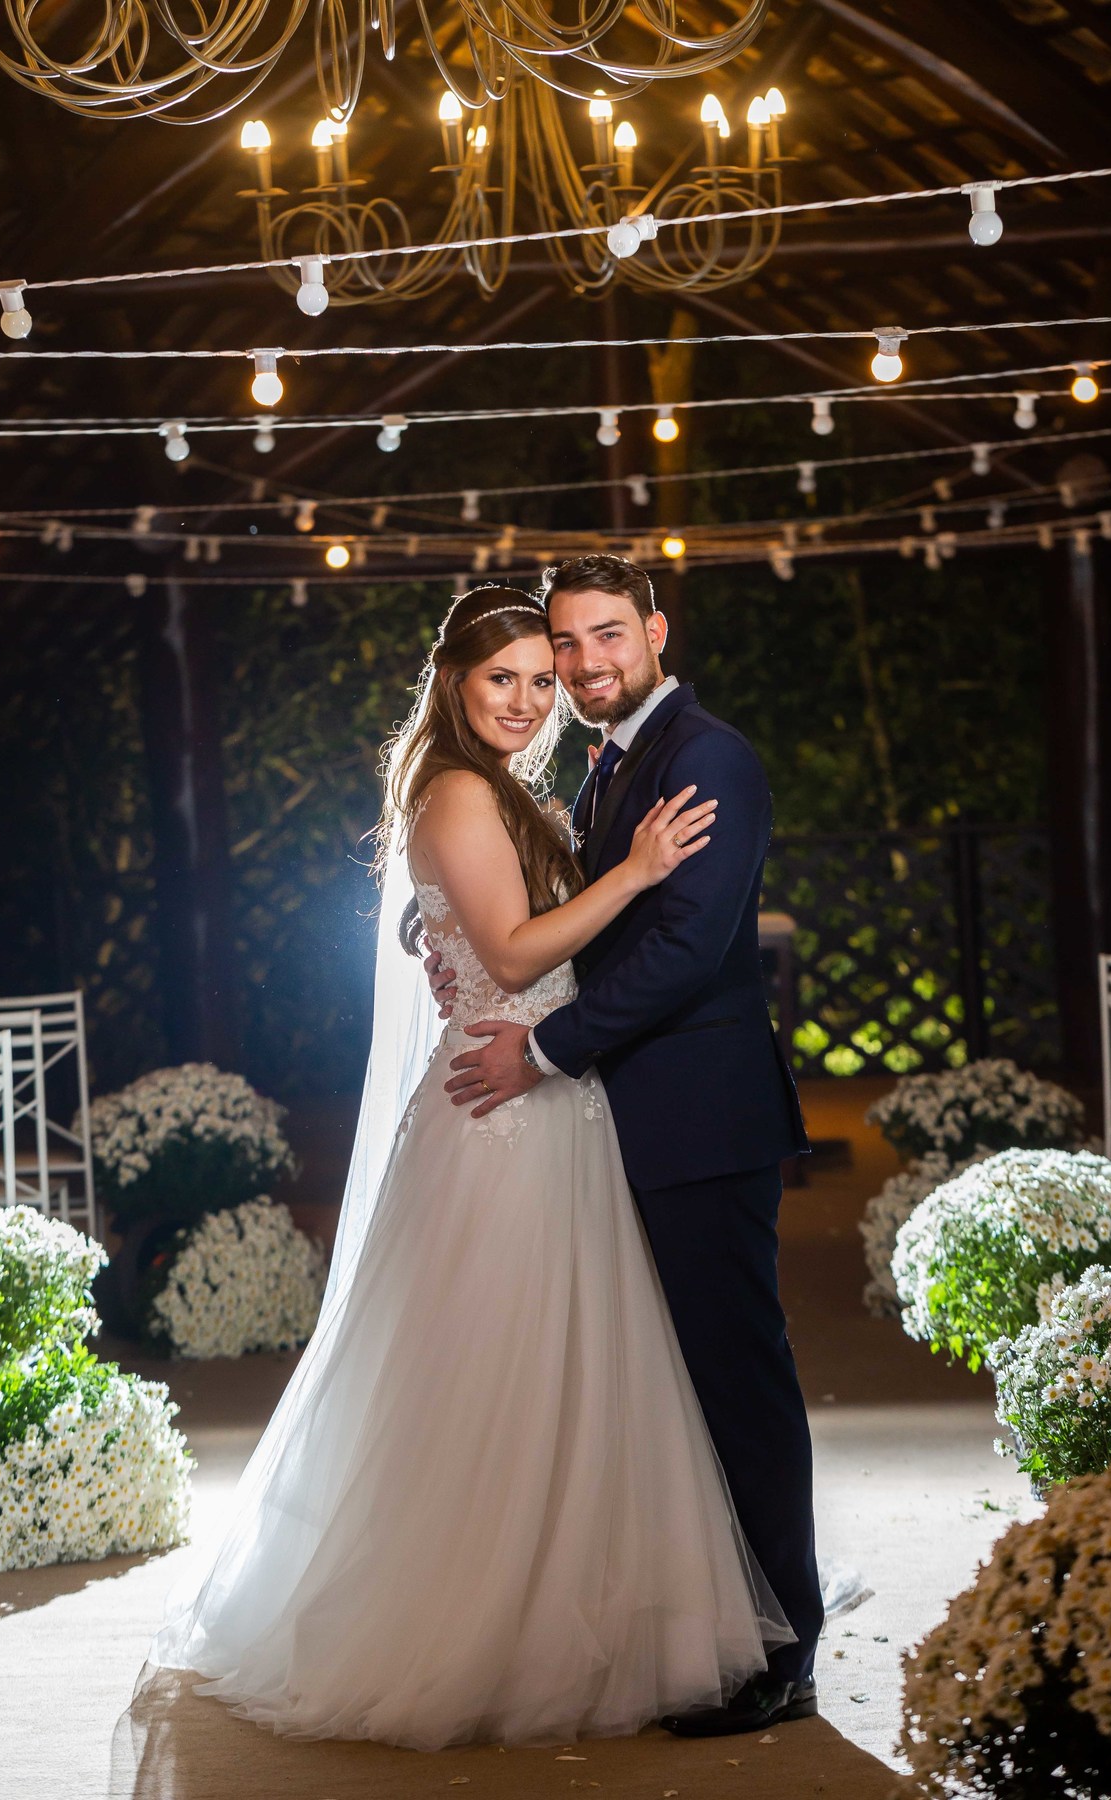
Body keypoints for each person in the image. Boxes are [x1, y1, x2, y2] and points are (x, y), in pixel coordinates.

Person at [143, 585, 794, 1751]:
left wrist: (522, 992)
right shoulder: (465, 787)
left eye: (550, 674)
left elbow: (667, 948)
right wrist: (628, 877)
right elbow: (511, 943)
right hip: (509, 1105)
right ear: (454, 685)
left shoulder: (669, 763)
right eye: (514, 676)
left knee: (616, 1368)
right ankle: (504, 1618)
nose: (540, 692)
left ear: (655, 636)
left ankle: (749, 1623)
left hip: (570, 1095)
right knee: (503, 1367)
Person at [432, 554, 823, 1738]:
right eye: (567, 644)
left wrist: (544, 1052)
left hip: (696, 1117)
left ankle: (782, 1646)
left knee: (733, 1379)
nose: (586, 662)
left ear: (655, 630)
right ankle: (715, 1613)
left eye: (609, 635)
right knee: (669, 1388)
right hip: (623, 1120)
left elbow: (688, 950)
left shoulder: (704, 756)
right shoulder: (602, 764)